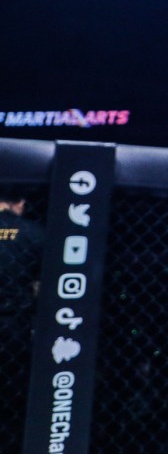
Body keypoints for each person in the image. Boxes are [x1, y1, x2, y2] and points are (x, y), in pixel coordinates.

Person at [0, 193, 44, 453]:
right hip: (12, 327)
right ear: (21, 203)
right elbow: (42, 287)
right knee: (12, 401)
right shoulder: (34, 233)